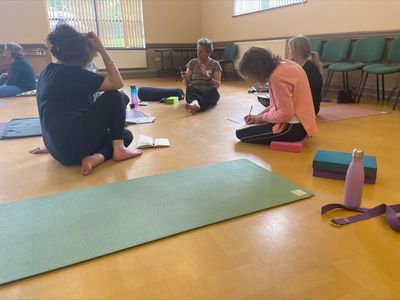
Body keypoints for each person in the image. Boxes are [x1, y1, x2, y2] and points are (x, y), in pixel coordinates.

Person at [36, 23, 142, 175]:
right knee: (116, 96)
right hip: (73, 145)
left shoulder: (47, 72)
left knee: (124, 134)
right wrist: (102, 50)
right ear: (81, 56)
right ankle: (118, 150)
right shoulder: (73, 74)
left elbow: (49, 111)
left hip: (57, 149)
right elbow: (117, 83)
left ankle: (95, 158)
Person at [235, 47, 317, 144]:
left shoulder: (277, 78)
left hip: (293, 128)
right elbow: (278, 105)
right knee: (255, 125)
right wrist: (259, 116)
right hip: (305, 123)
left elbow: (285, 114)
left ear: (257, 71)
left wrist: (260, 118)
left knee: (240, 133)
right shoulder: (286, 63)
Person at [181, 38, 222, 114]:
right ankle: (196, 105)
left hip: (208, 92)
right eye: (197, 50)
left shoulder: (215, 64)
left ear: (208, 52)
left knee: (213, 90)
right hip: (195, 91)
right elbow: (186, 83)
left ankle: (195, 105)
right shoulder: (192, 62)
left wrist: (208, 77)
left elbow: (217, 85)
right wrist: (186, 79)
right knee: (189, 88)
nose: (198, 53)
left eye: (201, 51)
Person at [288, 35, 323, 115]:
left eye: (290, 49)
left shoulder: (309, 70)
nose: (289, 51)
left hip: (309, 108)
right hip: (303, 105)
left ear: (296, 51)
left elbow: (304, 95)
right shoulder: (299, 66)